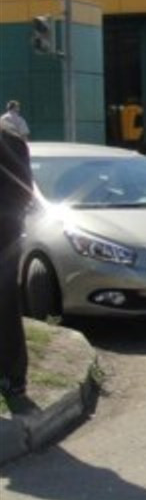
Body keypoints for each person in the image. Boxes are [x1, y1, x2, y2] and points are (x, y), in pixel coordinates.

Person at [0, 121, 32, 406]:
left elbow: (23, 192)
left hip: (4, 241)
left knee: (6, 307)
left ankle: (13, 378)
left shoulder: (10, 142)